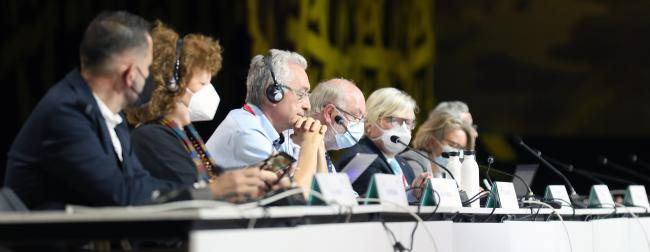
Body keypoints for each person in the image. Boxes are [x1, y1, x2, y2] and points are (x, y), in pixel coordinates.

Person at [4, 12, 275, 210]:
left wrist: (215, 189)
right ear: (130, 73)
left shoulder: (110, 117)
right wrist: (210, 191)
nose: (152, 79)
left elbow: (140, 182)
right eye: (147, 69)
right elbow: (122, 194)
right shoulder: (65, 115)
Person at [206, 49, 327, 197]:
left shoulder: (283, 135)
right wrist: (310, 144)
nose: (307, 105)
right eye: (301, 94)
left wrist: (318, 144)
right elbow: (293, 198)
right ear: (273, 93)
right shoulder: (246, 132)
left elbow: (323, 195)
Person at [336, 87, 429, 198]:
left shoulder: (404, 165)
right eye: (393, 120)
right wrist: (411, 196)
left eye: (408, 122)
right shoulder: (361, 160)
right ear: (369, 124)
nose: (404, 129)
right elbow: (374, 208)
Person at [279, 78, 366, 173]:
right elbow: (297, 186)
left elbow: (325, 185)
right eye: (356, 117)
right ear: (330, 113)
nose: (360, 124)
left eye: (362, 118)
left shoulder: (324, 154)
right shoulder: (284, 144)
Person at [401, 112, 477, 177]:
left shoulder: (447, 171)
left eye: (462, 148)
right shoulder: (414, 162)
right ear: (432, 141)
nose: (458, 152)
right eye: (453, 145)